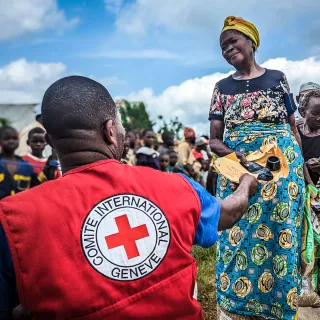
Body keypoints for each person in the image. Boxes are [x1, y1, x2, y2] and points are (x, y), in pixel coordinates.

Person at [0, 76, 258, 320]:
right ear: (110, 131)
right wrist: (246, 183)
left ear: (48, 141)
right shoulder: (177, 186)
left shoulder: (11, 219)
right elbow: (228, 213)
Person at [209, 16, 305, 320]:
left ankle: (278, 304)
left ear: (252, 42)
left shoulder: (278, 78)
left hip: (282, 171)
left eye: (232, 41)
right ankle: (237, 306)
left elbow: (292, 127)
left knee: (281, 231)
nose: (227, 49)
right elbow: (214, 141)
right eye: (222, 46)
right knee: (237, 229)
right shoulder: (221, 87)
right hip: (239, 171)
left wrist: (300, 167)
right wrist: (243, 159)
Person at [0, 127, 40, 199]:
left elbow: (36, 188)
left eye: (14, 138)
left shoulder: (27, 167)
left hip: (19, 208)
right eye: (7, 138)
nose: (11, 141)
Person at [298, 90, 320, 187]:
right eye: (315, 113)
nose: (319, 118)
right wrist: (305, 166)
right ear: (303, 112)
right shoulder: (293, 133)